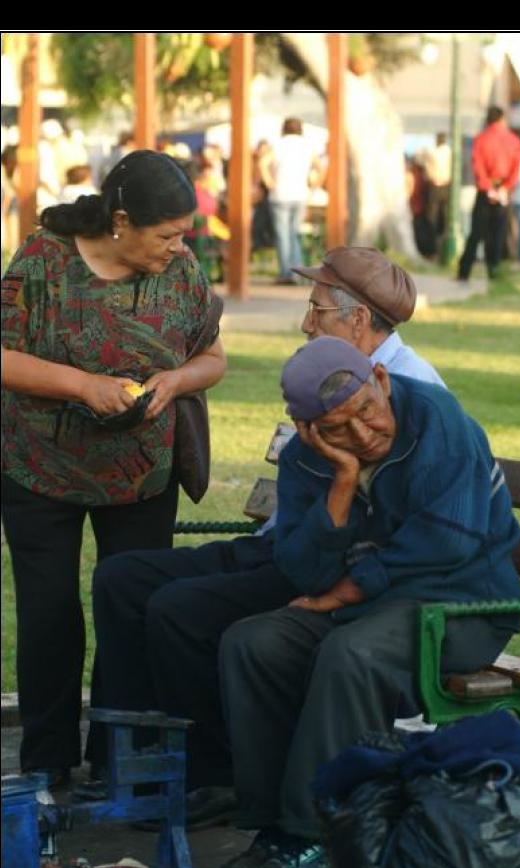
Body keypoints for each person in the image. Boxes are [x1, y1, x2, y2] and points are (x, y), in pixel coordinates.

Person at [91, 248, 444, 811]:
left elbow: (386, 525)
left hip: (330, 563)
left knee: (179, 609)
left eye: (317, 309)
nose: (307, 322)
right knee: (121, 576)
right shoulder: (334, 370)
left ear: (358, 320)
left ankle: (215, 773)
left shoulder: (401, 388)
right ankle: (132, 759)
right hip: (280, 542)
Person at [218, 337, 520, 868]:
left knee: (352, 653)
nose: (363, 435)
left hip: (465, 606)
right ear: (307, 428)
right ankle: (275, 829)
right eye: (336, 429)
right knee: (255, 641)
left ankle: (325, 835)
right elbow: (301, 569)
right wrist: (339, 485)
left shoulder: (440, 423)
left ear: (381, 379)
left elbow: (446, 543)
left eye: (366, 410)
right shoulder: (304, 459)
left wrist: (345, 592)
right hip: (374, 606)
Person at [1, 149, 227, 790]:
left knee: (130, 611)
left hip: (139, 475)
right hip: (39, 467)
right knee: (48, 614)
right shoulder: (44, 259)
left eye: (184, 233)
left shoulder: (180, 270)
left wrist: (177, 379)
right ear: (121, 221)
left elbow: (213, 357)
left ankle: (118, 759)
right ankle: (47, 762)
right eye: (168, 233)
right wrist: (82, 386)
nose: (180, 245)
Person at [457, 106, 520, 281]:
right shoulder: (514, 140)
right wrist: (505, 188)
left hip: (485, 190)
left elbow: (477, 166)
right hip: (503, 190)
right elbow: (516, 168)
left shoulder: (480, 139)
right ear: (502, 119)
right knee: (498, 232)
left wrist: (488, 188)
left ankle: (464, 271)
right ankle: (494, 270)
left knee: (476, 233)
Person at [262, 118, 317, 284]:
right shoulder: (307, 145)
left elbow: (262, 163)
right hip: (300, 194)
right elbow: (320, 166)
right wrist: (314, 186)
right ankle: (298, 270)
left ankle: (286, 272)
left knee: (283, 234)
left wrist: (270, 183)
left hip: (280, 194)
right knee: (295, 233)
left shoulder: (278, 144)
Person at [422, 132, 452, 258]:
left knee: (432, 218)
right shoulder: (449, 152)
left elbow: (427, 169)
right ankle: (442, 249)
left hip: (434, 186)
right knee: (444, 218)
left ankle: (433, 250)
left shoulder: (432, 153)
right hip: (446, 187)